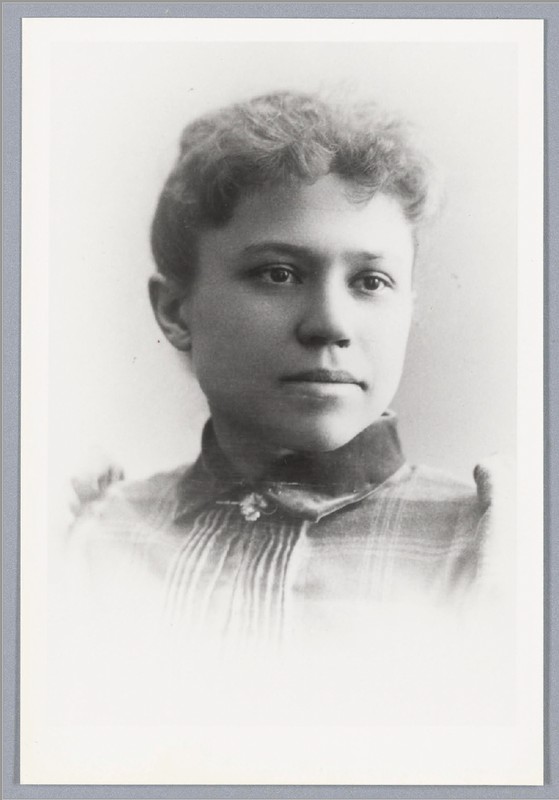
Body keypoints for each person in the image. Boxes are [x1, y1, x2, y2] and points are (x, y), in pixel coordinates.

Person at [65, 92, 509, 704]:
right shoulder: (88, 541)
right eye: (278, 273)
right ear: (175, 310)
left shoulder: (492, 551)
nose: (329, 323)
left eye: (370, 281)